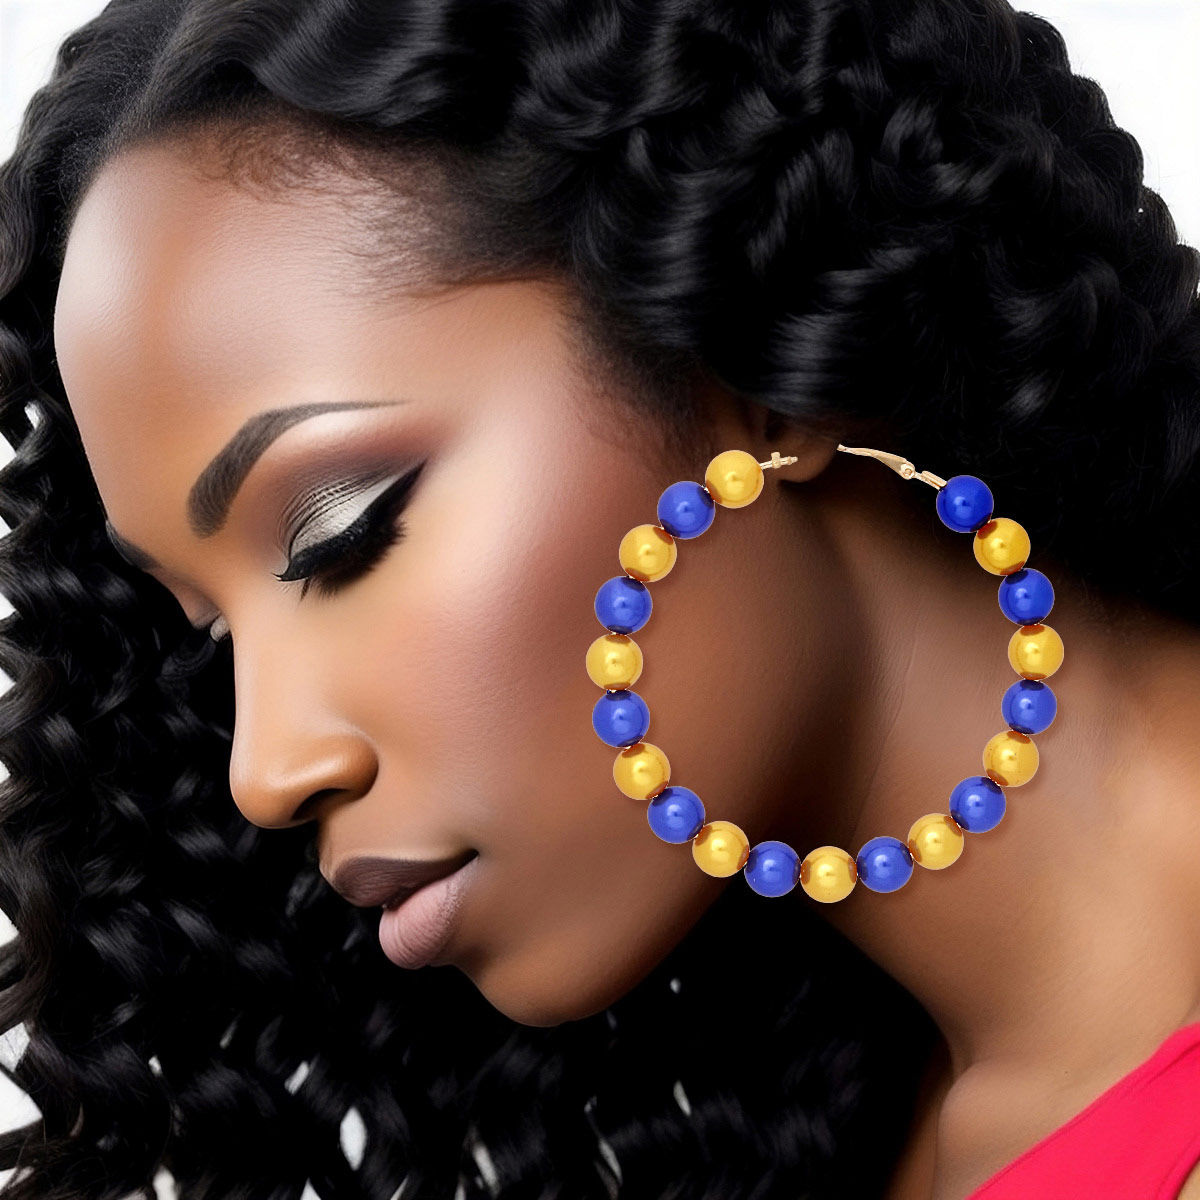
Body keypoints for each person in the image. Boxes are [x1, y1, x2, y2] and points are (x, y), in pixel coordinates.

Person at [1, 0, 1198, 1196]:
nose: (265, 773)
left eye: (337, 534)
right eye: (213, 633)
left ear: (749, 346)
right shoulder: (890, 1116)